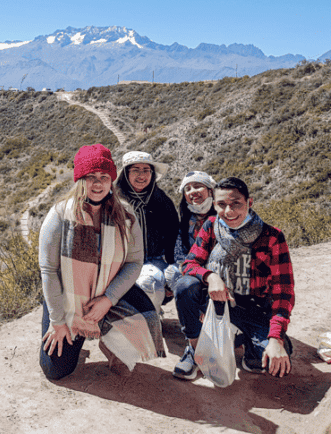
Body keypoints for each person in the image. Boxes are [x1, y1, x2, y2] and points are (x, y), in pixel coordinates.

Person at [39, 144, 165, 380]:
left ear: (111, 180)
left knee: (147, 318)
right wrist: (57, 321)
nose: (97, 184)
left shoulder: (125, 216)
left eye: (104, 177)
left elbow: (134, 263)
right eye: (90, 177)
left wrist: (108, 299)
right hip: (70, 297)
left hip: (108, 290)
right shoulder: (59, 215)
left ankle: (110, 345)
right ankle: (75, 333)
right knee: (55, 369)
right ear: (79, 179)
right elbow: (49, 270)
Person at [173, 177, 295, 380]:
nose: (229, 212)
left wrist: (276, 339)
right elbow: (189, 264)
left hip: (253, 307)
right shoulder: (212, 226)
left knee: (264, 362)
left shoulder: (272, 237)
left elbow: (284, 293)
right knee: (185, 286)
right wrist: (210, 276)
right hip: (216, 300)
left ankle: (243, 339)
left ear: (250, 202)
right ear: (214, 205)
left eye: (236, 203)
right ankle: (195, 348)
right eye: (221, 205)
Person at [115, 151, 179, 312]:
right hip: (125, 262)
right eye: (135, 170)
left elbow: (173, 233)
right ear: (125, 173)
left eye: (146, 170)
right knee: (146, 283)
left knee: (163, 281)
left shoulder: (161, 199)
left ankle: (154, 316)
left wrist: (171, 264)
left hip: (157, 259)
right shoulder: (114, 201)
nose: (141, 175)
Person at [164, 171, 217, 294]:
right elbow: (180, 256)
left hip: (219, 269)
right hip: (193, 269)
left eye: (198, 186)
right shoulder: (185, 223)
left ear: (211, 190)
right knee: (172, 272)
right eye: (187, 189)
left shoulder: (225, 218)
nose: (192, 192)